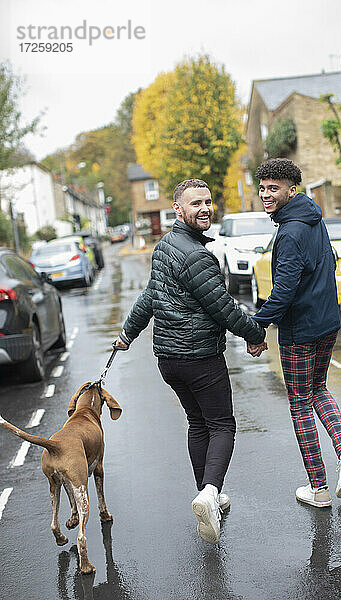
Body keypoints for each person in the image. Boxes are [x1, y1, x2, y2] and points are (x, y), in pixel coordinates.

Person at [116, 179, 266, 542]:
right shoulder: (198, 256)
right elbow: (223, 307)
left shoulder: (166, 246)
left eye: (208, 201)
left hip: (169, 359)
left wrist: (127, 333)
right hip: (199, 357)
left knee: (198, 423)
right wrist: (255, 335)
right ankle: (211, 492)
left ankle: (206, 492)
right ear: (178, 210)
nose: (204, 208)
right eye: (195, 203)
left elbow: (149, 297)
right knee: (222, 425)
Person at [250, 158, 341, 508]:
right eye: (263, 188)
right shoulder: (313, 219)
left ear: (291, 190)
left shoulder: (290, 232)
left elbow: (283, 291)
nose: (267, 195)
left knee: (299, 403)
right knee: (318, 390)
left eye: (274, 188)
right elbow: (328, 261)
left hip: (300, 332)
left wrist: (257, 327)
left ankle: (319, 489)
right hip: (328, 325)